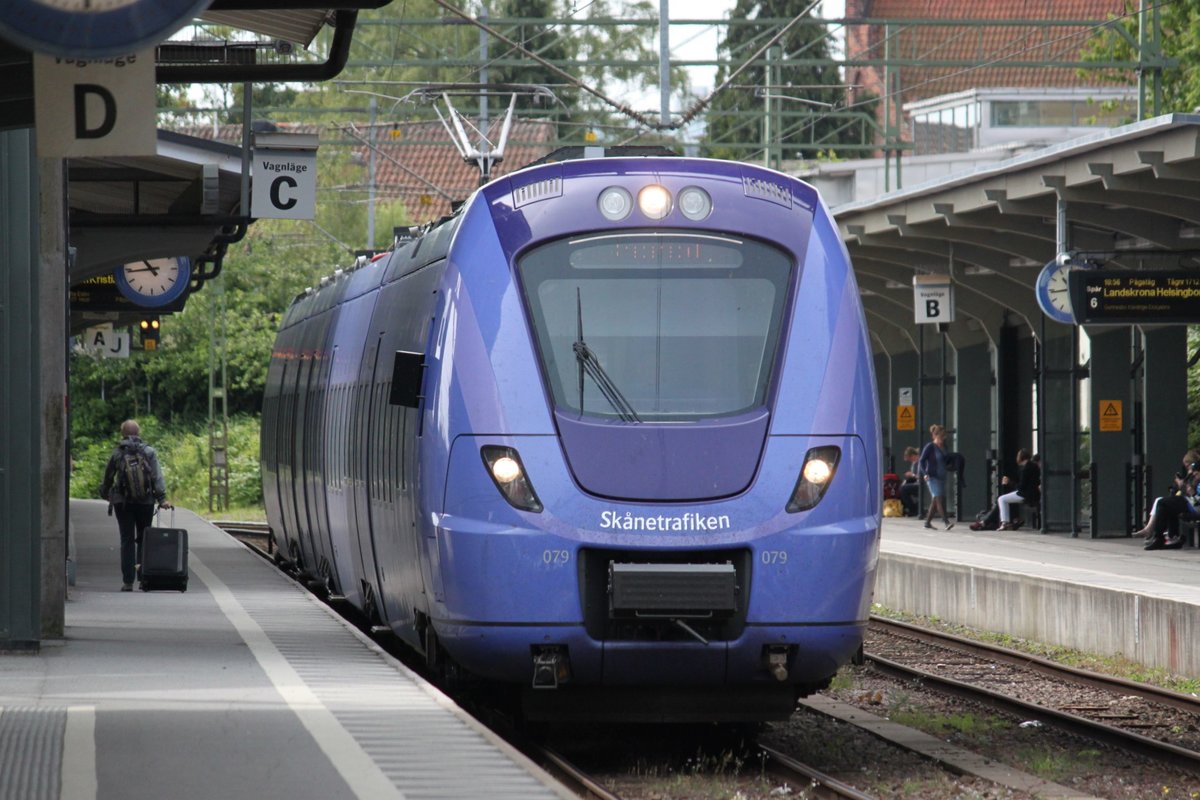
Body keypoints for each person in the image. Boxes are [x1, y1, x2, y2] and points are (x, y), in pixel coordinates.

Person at [99, 420, 171, 591]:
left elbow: (108, 477)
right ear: (139, 433)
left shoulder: (117, 453)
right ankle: (143, 578)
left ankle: (128, 581)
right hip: (145, 501)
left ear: (122, 433)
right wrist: (162, 499)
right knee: (143, 539)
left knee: (127, 540)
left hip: (122, 503)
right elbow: (156, 477)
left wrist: (106, 494)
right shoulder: (149, 452)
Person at [1135, 449, 1200, 551]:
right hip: (1191, 503)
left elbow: (1197, 500)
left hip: (1193, 505)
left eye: (1196, 472)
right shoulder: (1194, 479)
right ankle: (1170, 536)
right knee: (1165, 504)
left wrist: (1193, 493)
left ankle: (1158, 537)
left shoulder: (1196, 480)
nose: (1194, 474)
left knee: (1163, 503)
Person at [918, 424, 954, 530]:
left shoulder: (944, 447)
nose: (942, 440)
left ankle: (927, 523)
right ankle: (946, 522)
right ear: (935, 435)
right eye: (940, 437)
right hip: (932, 477)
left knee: (935, 500)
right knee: (939, 499)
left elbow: (946, 460)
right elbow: (921, 460)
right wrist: (925, 473)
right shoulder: (930, 447)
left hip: (942, 476)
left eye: (943, 437)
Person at [995, 449, 1040, 531]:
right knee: (1006, 498)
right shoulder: (1034, 466)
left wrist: (1009, 482)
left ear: (1020, 458)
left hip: (1026, 494)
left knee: (1001, 499)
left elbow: (1021, 486)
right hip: (1033, 493)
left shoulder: (1025, 469)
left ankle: (1005, 522)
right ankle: (1007, 521)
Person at [900, 446, 921, 516]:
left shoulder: (920, 462)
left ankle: (913, 509)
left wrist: (912, 475)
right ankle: (909, 507)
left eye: (910, 459)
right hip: (916, 481)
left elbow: (919, 476)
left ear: (913, 456)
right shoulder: (914, 463)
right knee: (902, 486)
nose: (911, 461)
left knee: (903, 489)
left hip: (921, 484)